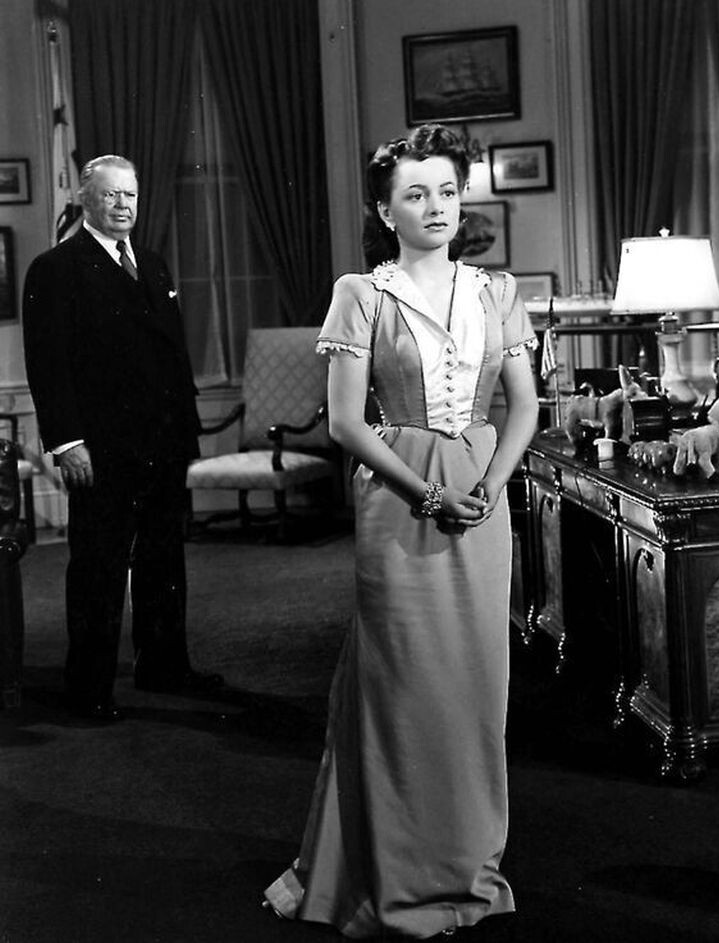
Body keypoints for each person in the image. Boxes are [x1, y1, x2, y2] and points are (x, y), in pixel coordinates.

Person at [264, 125, 539, 938]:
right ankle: (398, 870)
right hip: (398, 494)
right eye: (416, 194)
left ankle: (464, 861)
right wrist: (428, 492)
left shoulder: (497, 292)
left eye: (447, 190)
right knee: (403, 684)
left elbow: (524, 406)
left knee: (475, 689)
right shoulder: (362, 292)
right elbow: (347, 423)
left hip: (483, 495)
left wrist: (489, 485)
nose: (436, 206)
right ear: (386, 211)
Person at [22, 154, 222, 723]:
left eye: (130, 195)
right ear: (86, 200)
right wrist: (67, 442)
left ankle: (165, 666)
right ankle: (88, 688)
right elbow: (47, 365)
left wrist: (185, 432)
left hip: (163, 442)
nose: (122, 205)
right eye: (110, 195)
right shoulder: (55, 268)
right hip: (101, 448)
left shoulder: (152, 264)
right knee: (99, 567)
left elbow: (171, 355)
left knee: (164, 559)